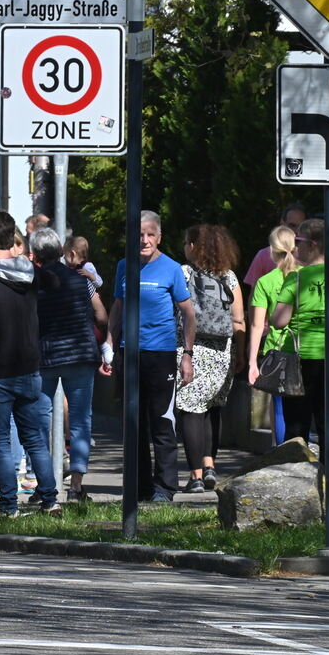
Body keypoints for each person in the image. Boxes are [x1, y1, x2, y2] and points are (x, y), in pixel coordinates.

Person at [0, 209, 59, 518]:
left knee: (1, 441)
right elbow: (55, 282)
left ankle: (9, 505)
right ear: (13, 238)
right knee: (34, 437)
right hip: (30, 367)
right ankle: (50, 499)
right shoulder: (32, 273)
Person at [106, 211, 196, 502]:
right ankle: (137, 487)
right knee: (133, 425)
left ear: (159, 237)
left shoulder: (171, 269)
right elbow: (118, 307)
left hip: (161, 355)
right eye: (138, 235)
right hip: (128, 355)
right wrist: (109, 344)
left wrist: (187, 355)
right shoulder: (124, 266)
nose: (143, 240)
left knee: (162, 423)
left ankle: (164, 488)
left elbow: (188, 313)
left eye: (149, 234)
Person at [30, 228, 109, 503]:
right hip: (79, 355)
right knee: (80, 421)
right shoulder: (80, 279)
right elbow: (100, 315)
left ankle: (45, 487)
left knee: (39, 420)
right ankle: (76, 487)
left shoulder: (33, 281)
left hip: (46, 357)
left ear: (36, 255)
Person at [270, 218, 329, 452]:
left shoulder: (296, 278)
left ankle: (297, 480)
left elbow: (279, 321)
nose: (295, 246)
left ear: (313, 244)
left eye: (299, 240)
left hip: (301, 359)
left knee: (296, 427)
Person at [174, 225, 244, 493]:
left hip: (190, 349)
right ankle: (210, 465)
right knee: (213, 407)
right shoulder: (229, 277)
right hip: (222, 351)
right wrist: (240, 354)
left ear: (193, 246)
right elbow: (238, 320)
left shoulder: (184, 273)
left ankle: (195, 477)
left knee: (192, 410)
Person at [248, 226, 300, 446]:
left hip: (276, 353)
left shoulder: (265, 282)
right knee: (304, 410)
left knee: (280, 408)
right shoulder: (306, 276)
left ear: (271, 250)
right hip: (306, 348)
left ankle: (281, 454)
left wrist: (252, 361)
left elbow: (257, 325)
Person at [244, 204, 306, 291]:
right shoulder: (263, 255)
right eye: (292, 225)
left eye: (300, 227)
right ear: (282, 223)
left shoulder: (309, 255)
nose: (296, 231)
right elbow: (254, 293)